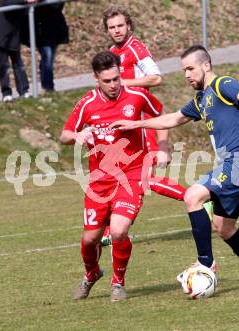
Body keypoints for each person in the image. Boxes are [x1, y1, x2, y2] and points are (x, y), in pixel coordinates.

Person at [111, 45, 239, 289]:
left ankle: (206, 263)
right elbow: (173, 119)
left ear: (206, 65)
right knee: (224, 227)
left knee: (193, 196)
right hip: (230, 164)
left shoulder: (223, 85)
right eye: (184, 70)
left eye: (190, 68)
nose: (187, 75)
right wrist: (133, 124)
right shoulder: (202, 99)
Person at [60, 51, 168, 302]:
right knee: (90, 239)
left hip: (132, 174)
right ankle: (91, 273)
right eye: (107, 80)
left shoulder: (138, 96)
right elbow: (64, 134)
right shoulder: (87, 103)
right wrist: (77, 136)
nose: (113, 85)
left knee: (118, 231)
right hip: (99, 180)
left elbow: (161, 117)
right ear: (96, 78)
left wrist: (161, 147)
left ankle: (118, 283)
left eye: (116, 79)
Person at [100, 5, 192, 246]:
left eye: (120, 25)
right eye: (112, 27)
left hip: (143, 123)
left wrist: (163, 144)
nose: (117, 30)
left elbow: (156, 77)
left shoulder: (135, 48)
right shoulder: (113, 51)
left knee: (142, 178)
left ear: (129, 25)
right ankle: (112, 228)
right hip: (128, 124)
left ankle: (196, 199)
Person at [21, 0, 69, 92]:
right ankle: (48, 86)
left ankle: (48, 85)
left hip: (54, 29)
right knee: (47, 57)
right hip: (41, 30)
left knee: (48, 59)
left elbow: (57, 5)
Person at [0, 0, 36, 102]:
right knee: (4, 65)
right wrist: (25, 1)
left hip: (15, 34)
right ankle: (6, 93)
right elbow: (9, 3)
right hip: (3, 35)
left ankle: (24, 90)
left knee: (18, 63)